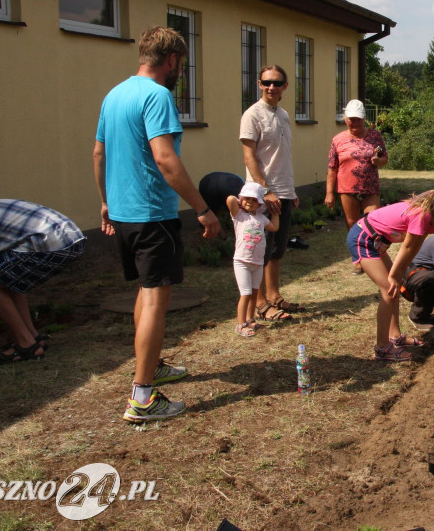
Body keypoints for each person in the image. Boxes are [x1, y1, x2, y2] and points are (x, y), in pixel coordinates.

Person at [93, 25, 220, 423]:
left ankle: (153, 363)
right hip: (152, 214)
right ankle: (143, 396)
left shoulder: (114, 94)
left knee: (146, 295)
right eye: (180, 63)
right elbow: (165, 159)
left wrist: (105, 202)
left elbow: (99, 154)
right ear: (172, 60)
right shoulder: (157, 95)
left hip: (125, 214)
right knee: (155, 299)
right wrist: (202, 208)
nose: (179, 70)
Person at [0, 198, 85, 361]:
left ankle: (26, 344)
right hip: (71, 236)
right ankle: (33, 338)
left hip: (51, 241)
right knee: (5, 280)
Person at [346, 190, 434, 361]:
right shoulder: (421, 216)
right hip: (363, 239)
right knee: (388, 290)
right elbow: (407, 247)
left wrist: (399, 273)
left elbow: (415, 247)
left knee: (395, 288)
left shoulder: (429, 222)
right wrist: (394, 275)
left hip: (377, 242)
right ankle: (382, 348)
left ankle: (395, 336)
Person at [239, 65, 300, 321]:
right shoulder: (252, 115)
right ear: (259, 84)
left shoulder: (283, 114)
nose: (271, 87)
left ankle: (274, 296)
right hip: (261, 195)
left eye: (276, 83)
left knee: (277, 249)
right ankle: (260, 303)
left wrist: (290, 191)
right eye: (266, 82)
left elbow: (282, 156)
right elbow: (249, 155)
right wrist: (265, 190)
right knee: (259, 252)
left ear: (285, 86)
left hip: (283, 191)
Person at [324, 99, 388, 275]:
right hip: (347, 188)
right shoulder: (338, 140)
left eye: (358, 119)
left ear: (364, 119)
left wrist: (378, 160)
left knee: (374, 223)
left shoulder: (375, 136)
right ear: (345, 119)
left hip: (370, 187)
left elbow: (384, 158)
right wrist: (329, 193)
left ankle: (378, 257)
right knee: (352, 225)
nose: (355, 123)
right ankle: (358, 260)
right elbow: (332, 168)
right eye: (351, 119)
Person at [226, 182, 280, 338]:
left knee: (255, 293)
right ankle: (241, 324)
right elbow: (230, 200)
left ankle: (250, 319)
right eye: (246, 198)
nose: (249, 202)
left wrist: (275, 211)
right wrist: (239, 200)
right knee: (245, 293)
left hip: (257, 263)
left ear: (260, 203)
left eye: (253, 199)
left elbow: (274, 227)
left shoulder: (261, 218)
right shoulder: (239, 215)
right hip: (242, 262)